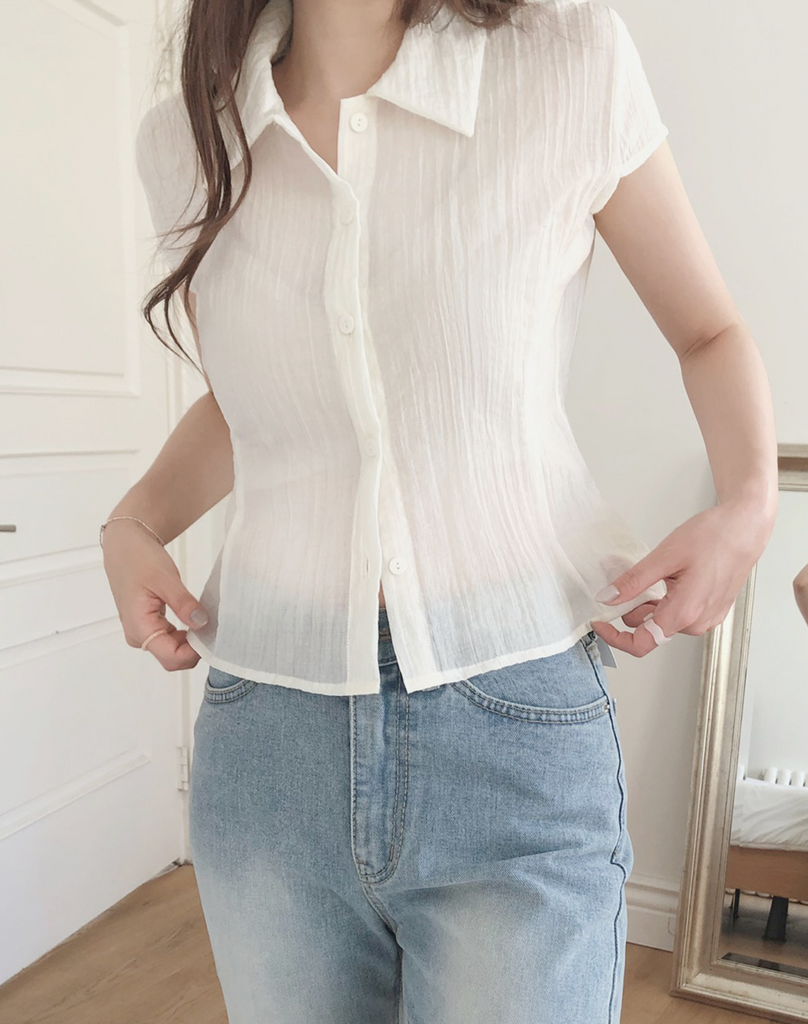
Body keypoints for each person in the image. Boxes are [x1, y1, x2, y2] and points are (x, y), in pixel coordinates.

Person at [101, 0, 778, 1020]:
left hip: (513, 728)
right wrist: (136, 519)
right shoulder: (187, 137)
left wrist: (750, 501)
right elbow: (256, 403)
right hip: (267, 741)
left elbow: (708, 331)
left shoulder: (565, 58)